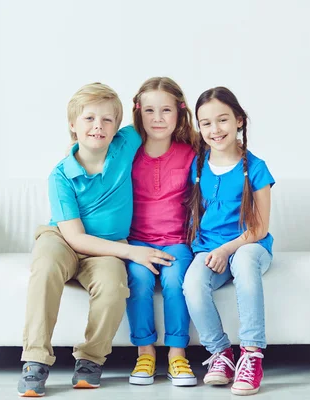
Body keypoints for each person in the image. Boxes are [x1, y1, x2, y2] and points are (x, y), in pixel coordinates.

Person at [17, 82, 174, 397]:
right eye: (89, 119)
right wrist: (133, 252)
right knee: (46, 267)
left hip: (106, 249)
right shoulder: (61, 175)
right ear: (73, 126)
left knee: (115, 285)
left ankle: (90, 358)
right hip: (62, 239)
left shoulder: (124, 144)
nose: (98, 126)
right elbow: (74, 237)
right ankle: (35, 359)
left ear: (118, 126)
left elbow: (153, 116)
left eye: (106, 120)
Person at [183, 86, 275, 396]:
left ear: (239, 120)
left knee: (246, 261)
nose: (214, 129)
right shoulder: (198, 166)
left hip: (250, 245)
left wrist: (227, 249)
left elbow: (259, 228)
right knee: (192, 283)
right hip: (210, 248)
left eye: (222, 120)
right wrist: (212, 250)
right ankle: (221, 354)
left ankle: (251, 354)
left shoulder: (256, 168)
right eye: (205, 123)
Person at [126, 77, 198, 386]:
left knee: (174, 282)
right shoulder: (128, 151)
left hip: (177, 242)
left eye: (166, 110)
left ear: (180, 113)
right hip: (137, 241)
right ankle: (145, 353)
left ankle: (177, 355)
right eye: (150, 110)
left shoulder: (192, 152)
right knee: (139, 280)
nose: (158, 119)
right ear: (138, 112)